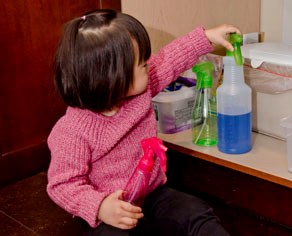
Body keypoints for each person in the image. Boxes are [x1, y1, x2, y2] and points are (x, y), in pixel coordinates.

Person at [47, 9, 240, 236]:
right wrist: (100, 207)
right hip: (110, 211)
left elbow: (171, 58)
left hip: (152, 194)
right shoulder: (72, 131)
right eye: (142, 63)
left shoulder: (143, 90)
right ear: (114, 78)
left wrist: (206, 37)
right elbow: (62, 185)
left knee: (195, 213)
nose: (150, 62)